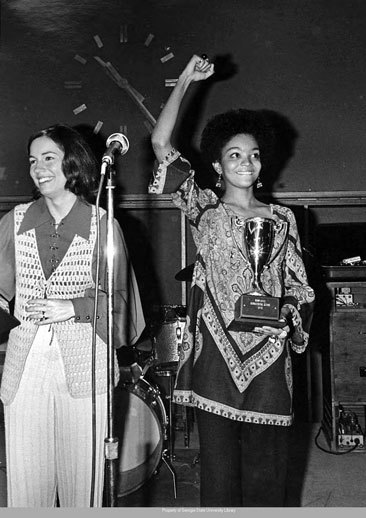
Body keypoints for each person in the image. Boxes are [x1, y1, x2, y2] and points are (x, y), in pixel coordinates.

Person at [149, 55, 315, 507]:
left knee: (268, 472)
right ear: (218, 166)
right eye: (234, 155)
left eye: (254, 155)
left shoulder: (284, 219)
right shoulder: (205, 209)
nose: (246, 162)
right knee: (220, 476)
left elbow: (300, 287)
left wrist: (286, 314)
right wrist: (186, 80)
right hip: (217, 360)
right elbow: (161, 142)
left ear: (263, 165)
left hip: (269, 357)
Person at [0, 124, 145, 507]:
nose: (38, 168)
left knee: (85, 483)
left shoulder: (102, 224)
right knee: (26, 482)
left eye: (49, 158)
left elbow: (122, 302)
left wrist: (75, 307)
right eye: (33, 160)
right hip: (24, 365)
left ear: (74, 164)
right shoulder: (15, 221)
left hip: (87, 363)